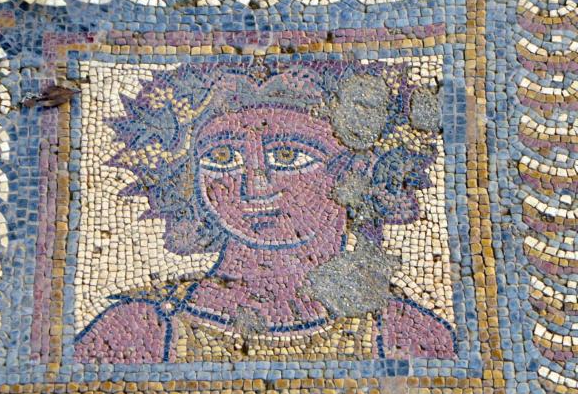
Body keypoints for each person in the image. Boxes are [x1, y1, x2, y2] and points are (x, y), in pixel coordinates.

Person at [74, 62, 455, 363]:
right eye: (223, 157)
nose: (254, 187)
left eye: (288, 156)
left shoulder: (403, 334)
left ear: (358, 169)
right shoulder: (141, 330)